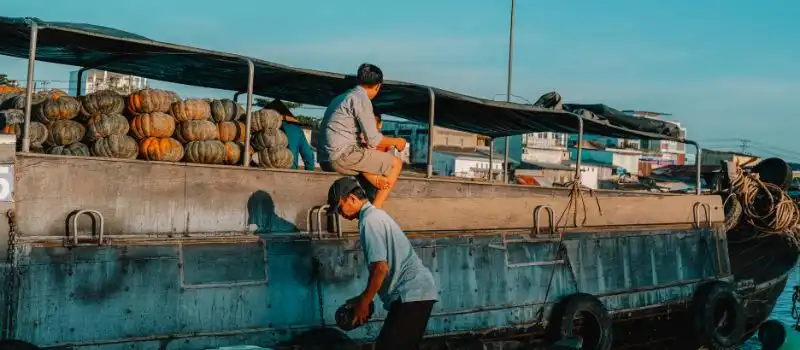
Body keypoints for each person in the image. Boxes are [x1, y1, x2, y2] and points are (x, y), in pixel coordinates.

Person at [327, 176, 438, 349]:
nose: (340, 214)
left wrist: (364, 303)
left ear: (351, 198)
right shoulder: (375, 215)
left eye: (339, 208)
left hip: (411, 293)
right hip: (416, 293)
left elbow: (380, 268)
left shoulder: (369, 221)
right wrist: (361, 298)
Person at [317, 63, 407, 209]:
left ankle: (372, 178)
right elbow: (373, 140)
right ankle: (375, 212)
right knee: (396, 164)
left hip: (324, 158)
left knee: (364, 156)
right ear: (378, 86)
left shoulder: (341, 98)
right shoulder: (361, 99)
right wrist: (397, 141)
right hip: (342, 155)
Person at [266, 99, 315, 171]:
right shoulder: (296, 130)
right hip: (290, 173)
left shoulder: (264, 129)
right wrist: (309, 173)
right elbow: (308, 155)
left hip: (266, 172)